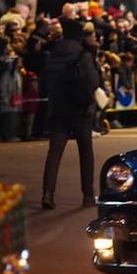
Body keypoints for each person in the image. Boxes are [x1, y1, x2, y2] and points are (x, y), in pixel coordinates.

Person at [40, 20, 100, 209]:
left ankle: (48, 193)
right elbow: (93, 81)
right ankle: (88, 196)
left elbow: (44, 82)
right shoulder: (82, 55)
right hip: (80, 109)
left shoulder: (52, 55)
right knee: (85, 152)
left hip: (58, 109)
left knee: (54, 153)